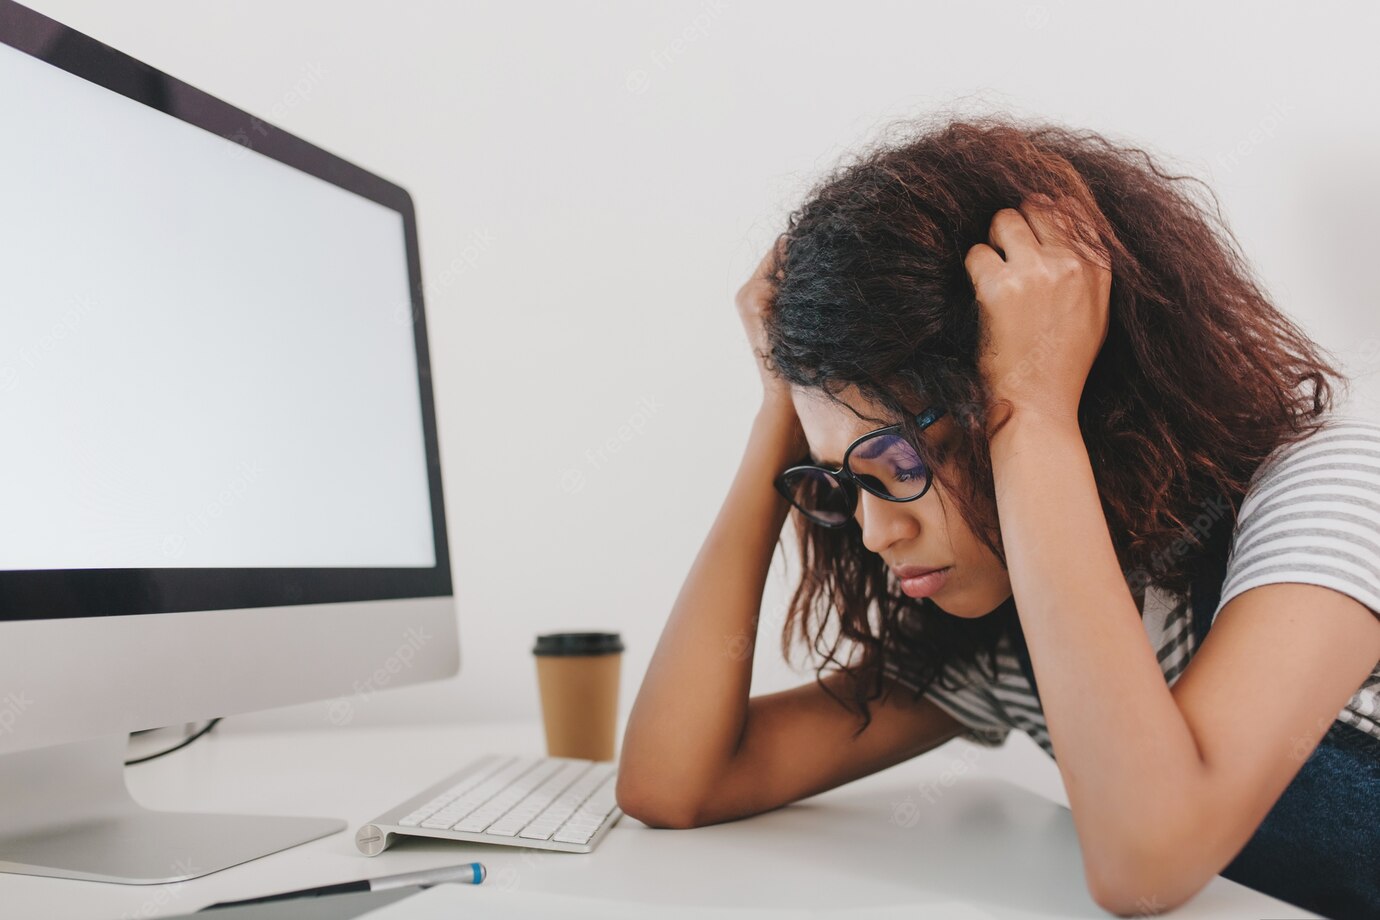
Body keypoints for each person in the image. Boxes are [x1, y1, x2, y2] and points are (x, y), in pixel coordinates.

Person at [615, 116, 1380, 919]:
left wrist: (1036, 410)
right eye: (849, 483)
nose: (877, 534)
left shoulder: (1336, 488)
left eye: (904, 463)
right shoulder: (1004, 637)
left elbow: (1147, 861)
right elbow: (675, 782)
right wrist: (785, 395)